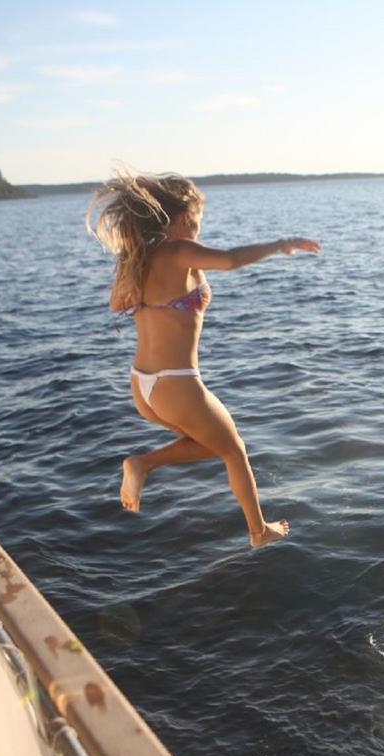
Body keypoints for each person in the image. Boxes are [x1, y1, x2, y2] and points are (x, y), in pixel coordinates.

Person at [87, 171, 320, 548]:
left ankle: (144, 464)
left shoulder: (139, 258)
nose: (198, 225)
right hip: (175, 382)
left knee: (212, 444)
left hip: (142, 385)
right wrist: (281, 243)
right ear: (182, 216)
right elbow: (229, 259)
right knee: (235, 451)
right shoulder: (177, 251)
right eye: (197, 216)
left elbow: (118, 303)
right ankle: (259, 531)